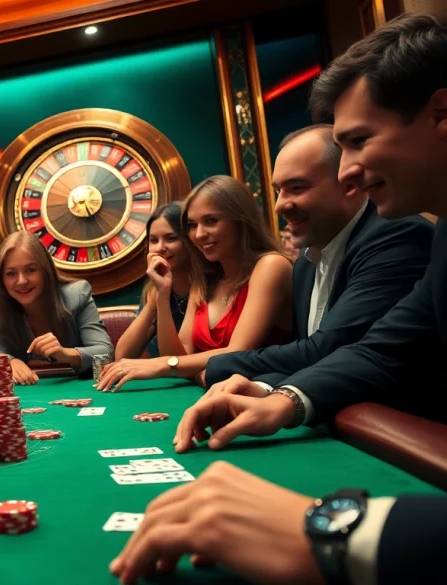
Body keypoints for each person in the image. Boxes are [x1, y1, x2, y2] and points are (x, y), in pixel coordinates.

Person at [129, 13, 447, 585]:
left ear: (442, 114)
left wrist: (338, 529)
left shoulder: (399, 236)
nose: (348, 171)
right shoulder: (441, 236)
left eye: (359, 141)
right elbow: (381, 349)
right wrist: (283, 399)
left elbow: (334, 346)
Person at [202, 124, 432, 389]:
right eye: (278, 191)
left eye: (296, 188)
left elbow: (328, 351)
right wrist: (262, 388)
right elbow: (307, 361)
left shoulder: (396, 236)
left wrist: (216, 367)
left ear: (349, 185)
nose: (279, 205)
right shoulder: (306, 259)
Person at [97, 175, 293, 391]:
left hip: (265, 398)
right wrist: (162, 295)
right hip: (213, 394)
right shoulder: (205, 281)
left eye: (211, 221)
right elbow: (179, 356)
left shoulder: (270, 265)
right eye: (192, 225)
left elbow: (238, 352)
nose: (199, 234)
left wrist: (162, 365)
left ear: (240, 221)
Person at [0, 231, 113, 384]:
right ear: (1, 279)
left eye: (31, 270)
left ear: (45, 270)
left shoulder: (77, 295)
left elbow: (106, 352)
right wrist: (9, 361)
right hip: (27, 394)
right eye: (11, 273)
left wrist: (65, 354)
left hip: (80, 388)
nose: (21, 281)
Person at [113, 202, 192, 360]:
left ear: (190, 239)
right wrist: (157, 296)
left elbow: (178, 362)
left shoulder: (208, 287)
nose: (160, 248)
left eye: (171, 238)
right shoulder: (154, 290)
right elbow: (122, 355)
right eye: (154, 240)